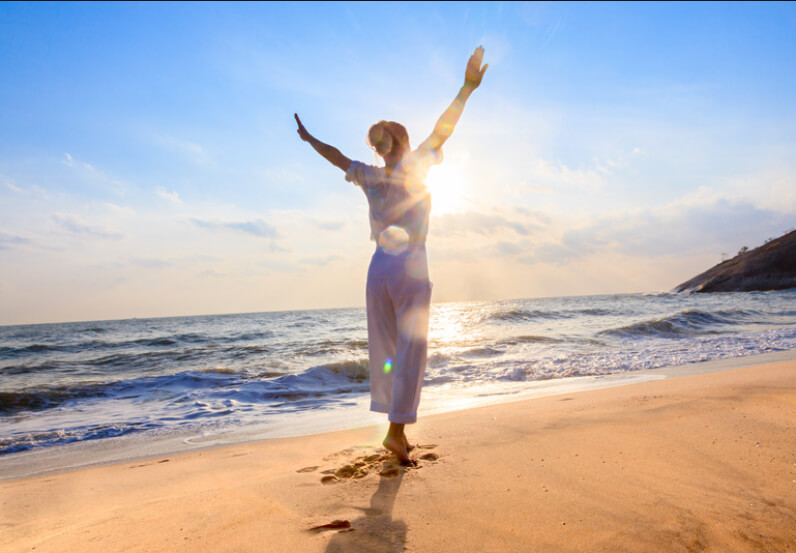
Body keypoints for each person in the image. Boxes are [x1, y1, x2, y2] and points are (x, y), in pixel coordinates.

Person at [295, 46, 487, 465]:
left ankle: (393, 428)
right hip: (410, 264)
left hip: (377, 268)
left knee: (385, 350)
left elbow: (336, 158)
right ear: (401, 141)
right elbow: (443, 128)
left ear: (380, 146)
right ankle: (396, 434)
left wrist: (309, 139)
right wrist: (467, 88)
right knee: (411, 349)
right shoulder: (415, 164)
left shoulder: (369, 174)